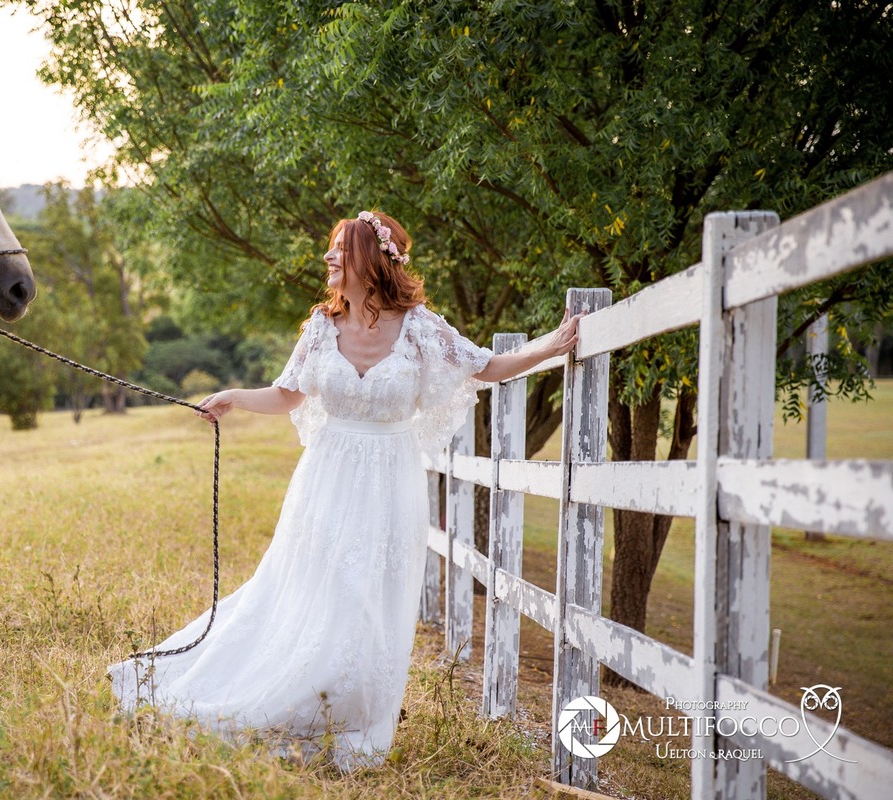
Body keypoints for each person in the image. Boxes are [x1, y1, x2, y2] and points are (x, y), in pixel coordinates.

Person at [107, 210, 582, 768]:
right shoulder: (320, 328)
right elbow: (288, 395)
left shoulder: (419, 327)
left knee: (367, 598)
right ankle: (297, 694)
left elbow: (485, 365)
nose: (329, 260)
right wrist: (233, 396)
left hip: (390, 481)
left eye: (339, 250)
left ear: (371, 260)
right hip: (326, 480)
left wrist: (550, 346)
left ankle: (352, 714)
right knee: (315, 589)